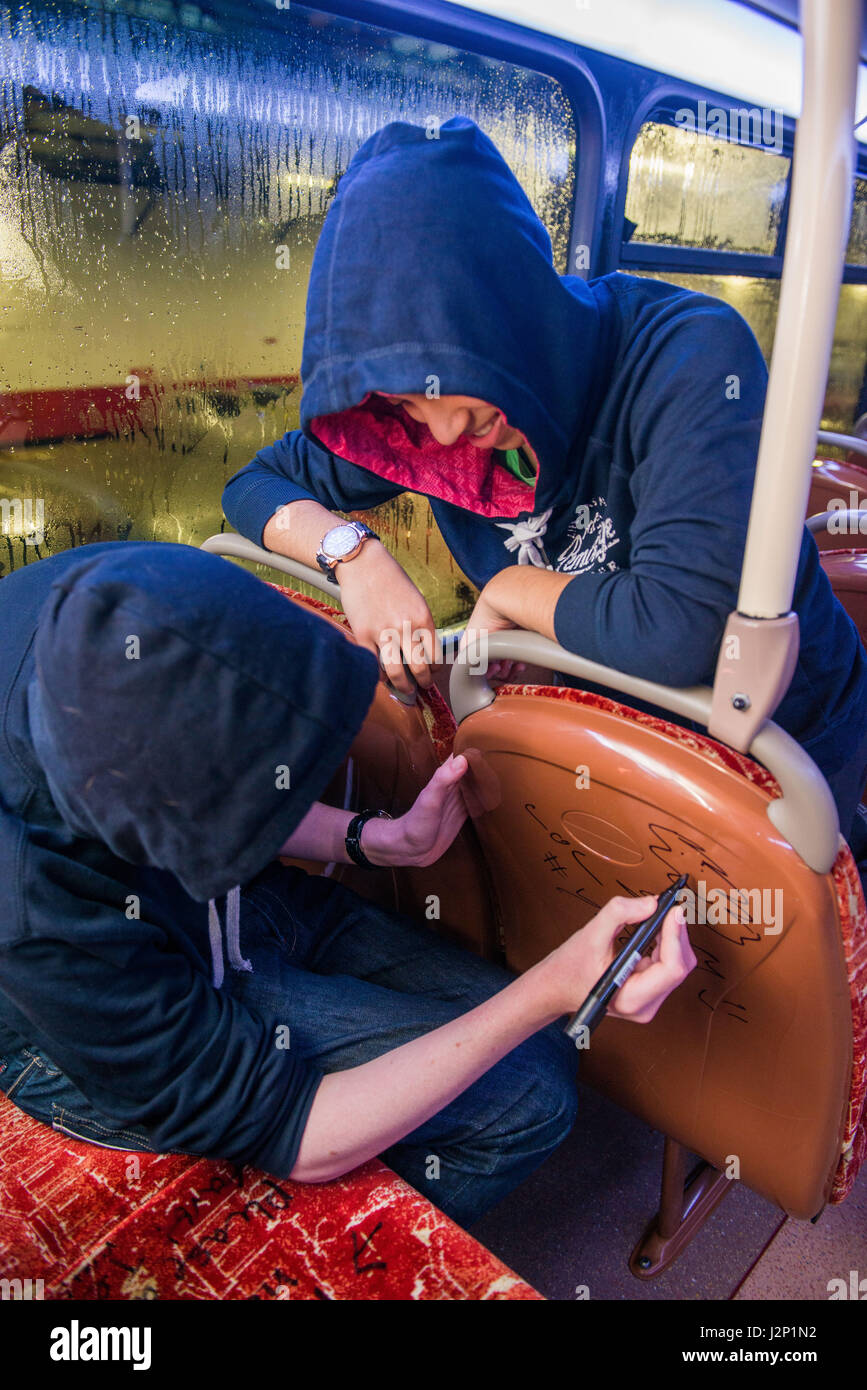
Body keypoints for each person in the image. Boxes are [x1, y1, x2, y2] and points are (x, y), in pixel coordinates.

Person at [0, 542, 695, 1229]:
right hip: (71, 1023)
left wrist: (373, 839)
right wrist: (548, 987)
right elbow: (295, 1137)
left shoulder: (125, 595)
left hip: (209, 900)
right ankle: (292, 1256)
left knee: (538, 1050)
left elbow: (223, 769)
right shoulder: (35, 913)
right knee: (528, 1100)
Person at [222, 115, 867, 850]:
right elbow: (255, 483)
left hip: (772, 731)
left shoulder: (690, 355)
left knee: (777, 942)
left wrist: (508, 592)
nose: (437, 433)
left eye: (454, 375)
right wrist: (355, 555)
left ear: (510, 317)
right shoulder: (427, 427)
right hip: (601, 718)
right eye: (403, 402)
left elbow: (677, 634)